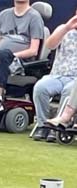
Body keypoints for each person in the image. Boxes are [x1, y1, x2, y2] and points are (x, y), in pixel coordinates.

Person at [32, 9, 77, 141]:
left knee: (70, 90)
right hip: (57, 75)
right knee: (40, 87)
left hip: (75, 78)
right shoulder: (63, 28)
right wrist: (67, 28)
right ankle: (43, 125)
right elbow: (50, 45)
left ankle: (57, 126)